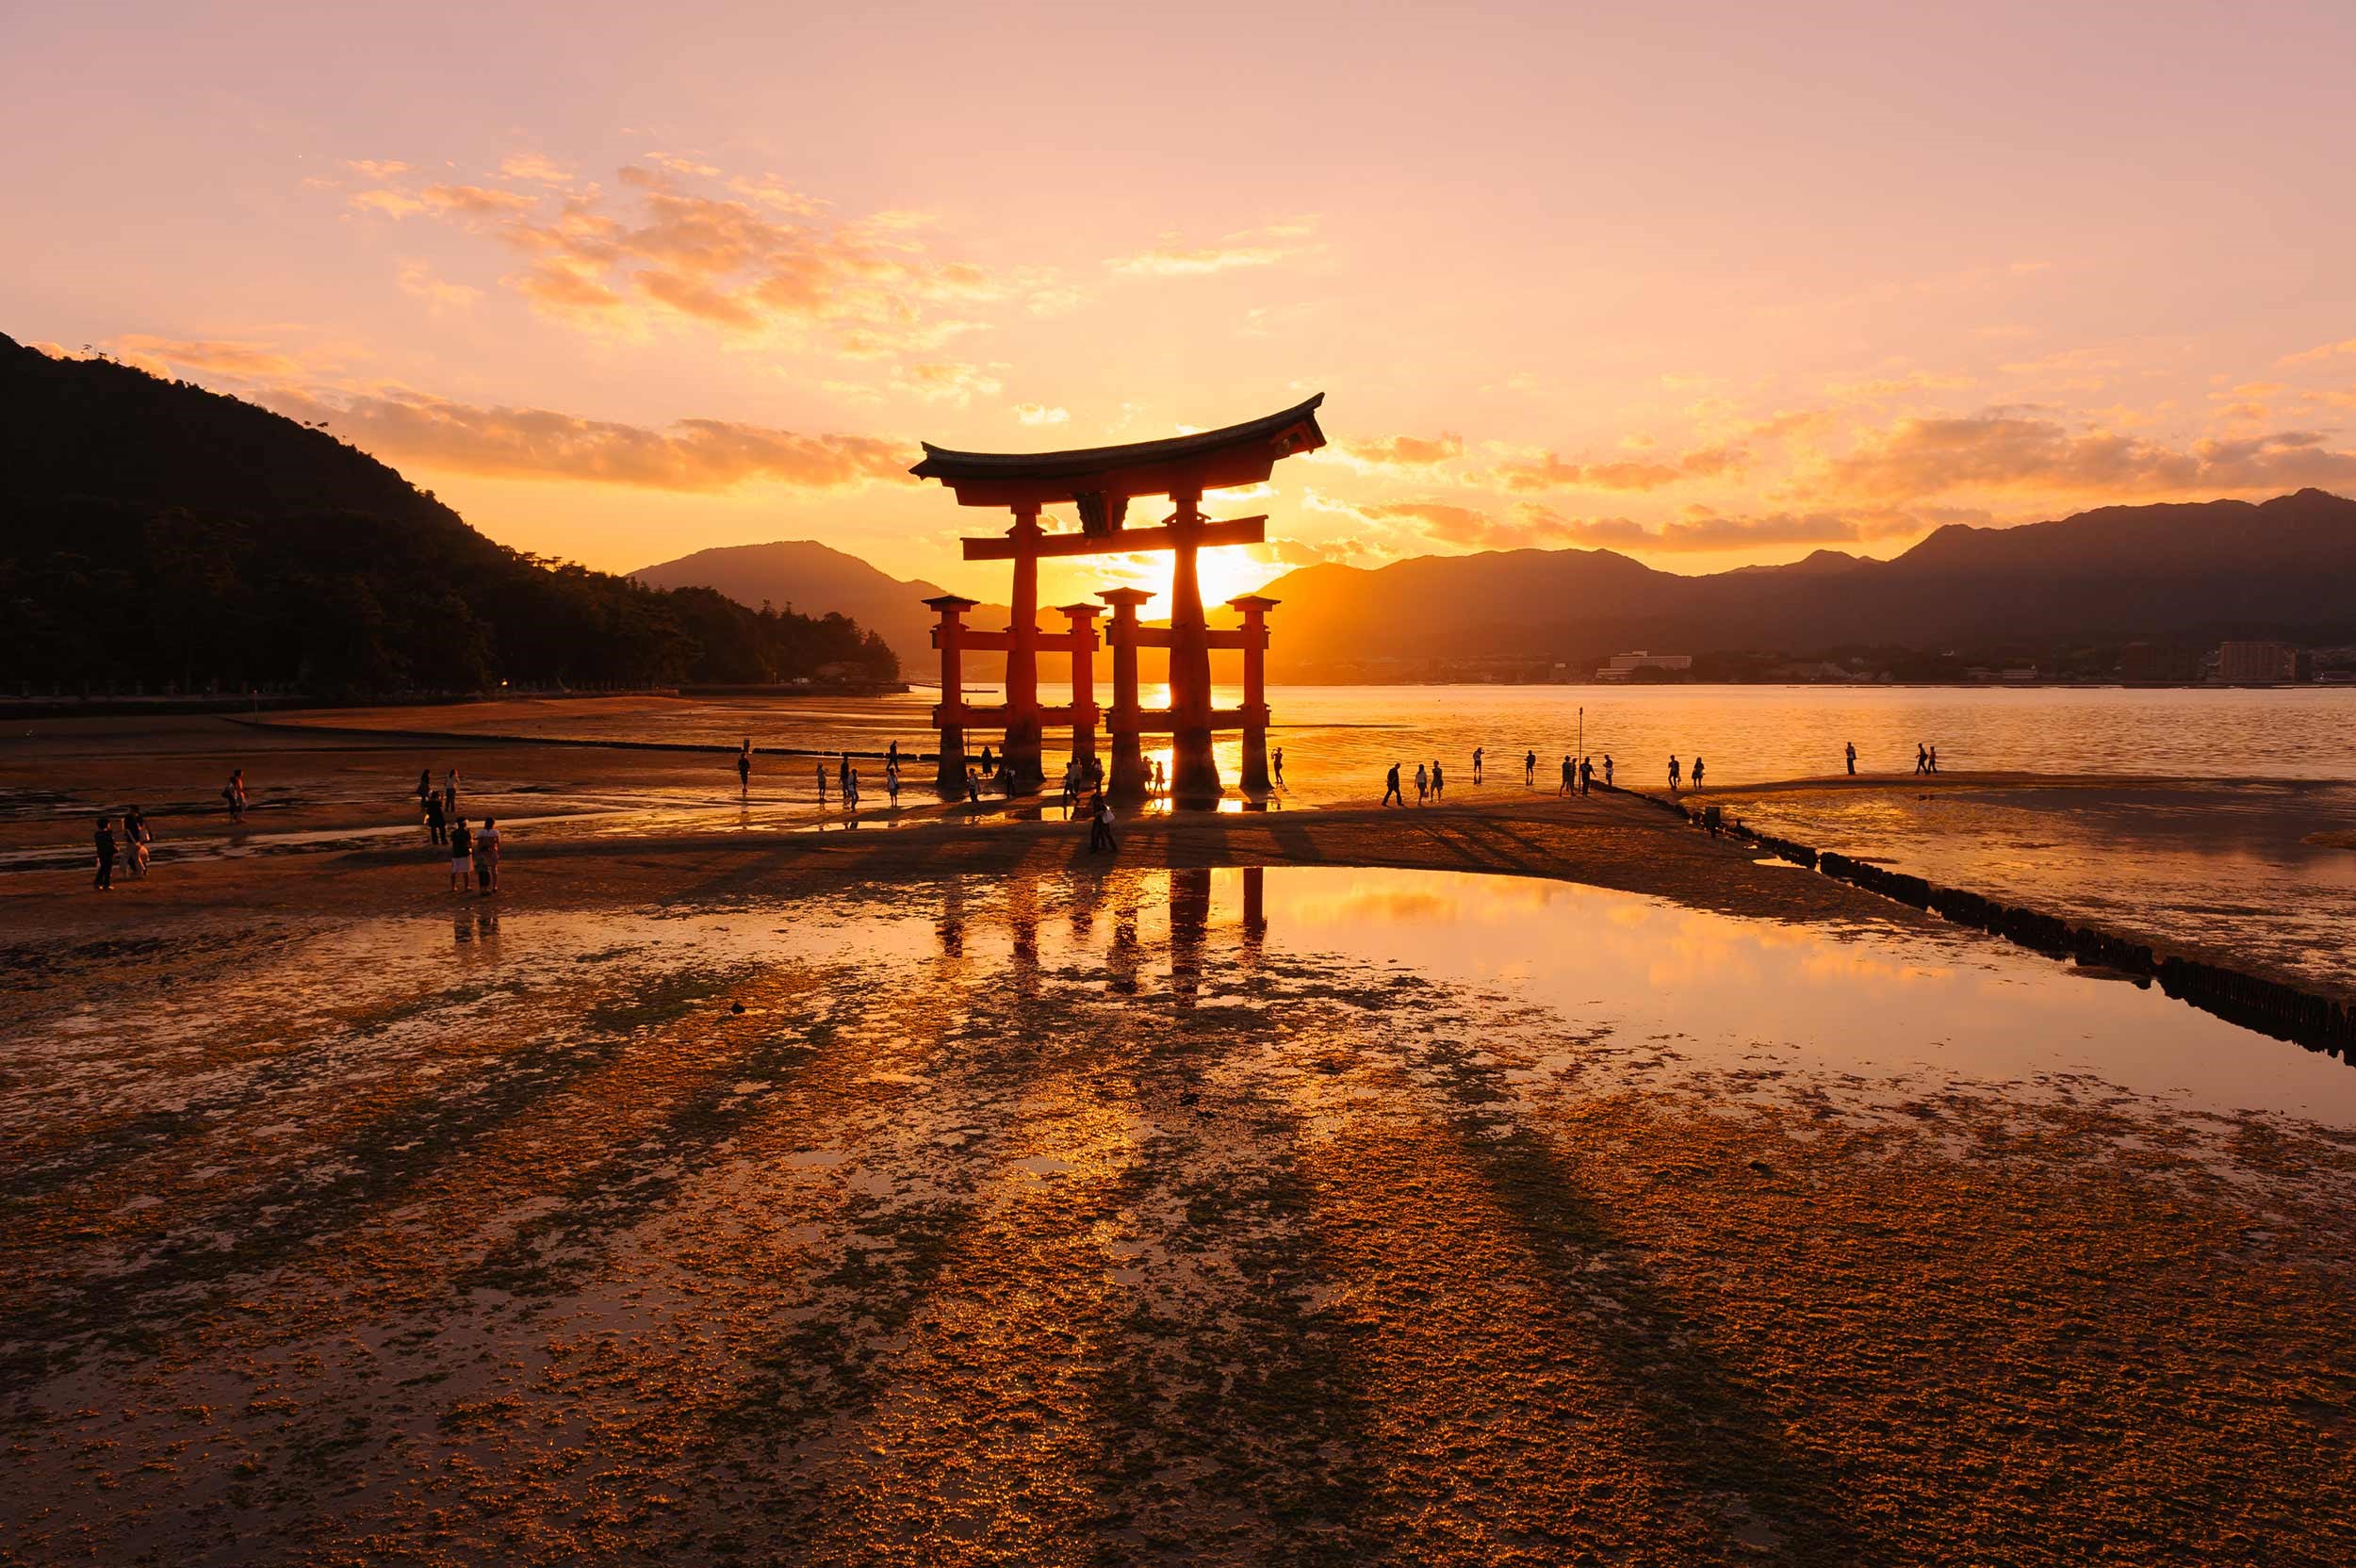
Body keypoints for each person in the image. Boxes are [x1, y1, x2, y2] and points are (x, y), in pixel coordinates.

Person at [474, 817, 500, 895]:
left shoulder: (481, 832)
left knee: (483, 871)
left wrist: (478, 852)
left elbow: (479, 844)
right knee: (494, 869)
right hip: (492, 851)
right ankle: (494, 886)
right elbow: (498, 843)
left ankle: (483, 888)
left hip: (483, 852)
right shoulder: (495, 832)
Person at [124, 806, 151, 877]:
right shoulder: (139, 818)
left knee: (133, 857)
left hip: (134, 840)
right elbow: (143, 829)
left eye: (129, 809)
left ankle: (139, 871)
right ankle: (143, 871)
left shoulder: (130, 819)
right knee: (140, 856)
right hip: (140, 839)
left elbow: (129, 830)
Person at [448, 817, 472, 892]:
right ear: (464, 823)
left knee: (454, 871)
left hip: (456, 852)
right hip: (464, 853)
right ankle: (466, 886)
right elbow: (469, 843)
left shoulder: (454, 832)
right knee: (466, 871)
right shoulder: (466, 832)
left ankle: (453, 887)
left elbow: (453, 841)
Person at [1088, 788, 1116, 853]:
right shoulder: (1097, 805)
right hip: (1099, 822)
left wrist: (1098, 813)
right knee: (1097, 835)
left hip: (1103, 822)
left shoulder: (1103, 806)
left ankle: (1113, 847)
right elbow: (1096, 814)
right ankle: (1096, 848)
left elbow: (1101, 813)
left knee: (1106, 835)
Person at [92, 814, 116, 891]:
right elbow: (112, 843)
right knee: (108, 869)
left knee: (103, 868)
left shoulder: (97, 834)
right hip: (108, 853)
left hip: (101, 853)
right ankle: (106, 884)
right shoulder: (107, 834)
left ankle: (98, 883)